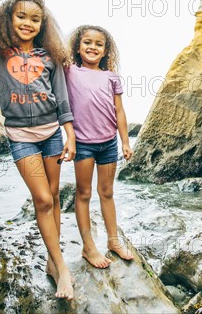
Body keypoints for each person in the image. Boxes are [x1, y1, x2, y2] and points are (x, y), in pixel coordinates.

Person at [0, 0, 75, 299]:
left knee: (55, 199)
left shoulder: (50, 55)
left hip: (52, 134)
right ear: (9, 19)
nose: (28, 23)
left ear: (42, 25)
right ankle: (62, 268)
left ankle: (52, 260)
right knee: (43, 200)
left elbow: (62, 99)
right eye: (21, 17)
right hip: (20, 136)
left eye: (35, 19)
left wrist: (70, 135)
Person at [64, 25, 134, 268]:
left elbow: (119, 111)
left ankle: (113, 241)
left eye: (98, 44)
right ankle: (88, 246)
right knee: (83, 194)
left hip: (108, 143)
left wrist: (125, 141)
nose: (92, 47)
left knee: (107, 192)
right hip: (83, 144)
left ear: (105, 51)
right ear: (77, 46)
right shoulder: (69, 72)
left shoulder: (111, 77)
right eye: (87, 42)